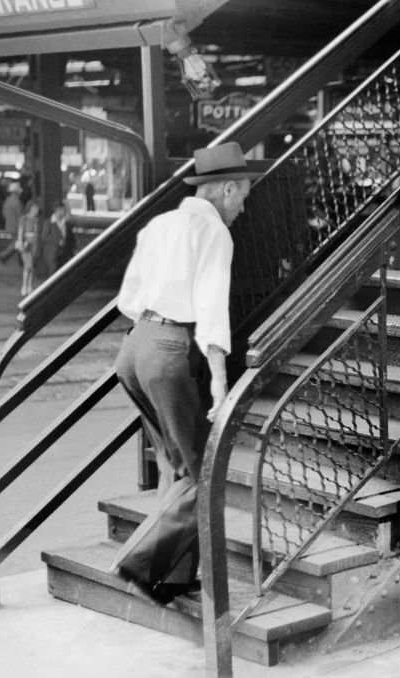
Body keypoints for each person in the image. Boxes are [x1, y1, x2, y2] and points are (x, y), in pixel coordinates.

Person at [110, 142, 258, 605]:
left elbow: (129, 296)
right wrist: (218, 380)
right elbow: (212, 312)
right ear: (227, 188)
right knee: (203, 474)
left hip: (134, 348)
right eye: (242, 196)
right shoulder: (214, 232)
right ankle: (137, 562)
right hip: (170, 350)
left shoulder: (160, 224)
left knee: (178, 468)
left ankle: (172, 577)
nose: (242, 206)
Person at [0, 182, 23, 264]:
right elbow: (20, 215)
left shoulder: (7, 201)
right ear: (17, 192)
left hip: (9, 225)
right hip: (17, 226)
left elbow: (4, 213)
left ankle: (19, 259)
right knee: (17, 242)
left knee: (16, 242)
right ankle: (3, 256)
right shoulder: (17, 202)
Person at [50, 201, 77, 269]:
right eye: (62, 210)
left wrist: (74, 249)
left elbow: (71, 238)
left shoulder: (67, 223)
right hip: (54, 255)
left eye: (64, 210)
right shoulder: (50, 223)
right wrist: (57, 242)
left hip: (67, 254)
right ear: (56, 211)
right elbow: (45, 238)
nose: (63, 212)